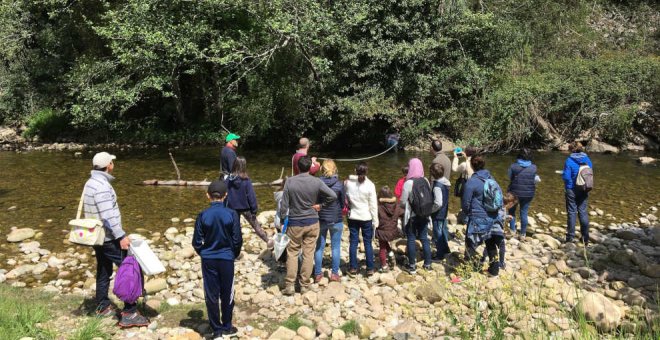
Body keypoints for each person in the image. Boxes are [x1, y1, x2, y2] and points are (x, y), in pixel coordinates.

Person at [83, 152, 149, 327]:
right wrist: (120, 236)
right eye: (112, 161)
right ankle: (129, 312)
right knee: (130, 268)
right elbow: (108, 215)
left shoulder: (90, 182)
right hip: (108, 237)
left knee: (103, 269)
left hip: (96, 236)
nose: (113, 164)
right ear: (109, 165)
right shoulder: (102, 186)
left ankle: (103, 306)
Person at [280, 156, 337, 295]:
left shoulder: (290, 182)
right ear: (310, 168)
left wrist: (283, 219)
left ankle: (290, 285)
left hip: (295, 222)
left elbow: (284, 204)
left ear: (298, 167)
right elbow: (333, 196)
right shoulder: (316, 181)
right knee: (308, 253)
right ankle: (304, 285)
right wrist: (321, 206)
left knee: (292, 253)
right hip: (312, 221)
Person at [193, 180, 242, 338]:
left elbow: (196, 242)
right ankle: (227, 326)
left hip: (209, 259)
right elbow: (237, 240)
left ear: (208, 196)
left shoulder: (202, 215)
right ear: (225, 195)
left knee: (211, 293)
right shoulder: (232, 214)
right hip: (227, 257)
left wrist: (204, 253)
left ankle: (216, 329)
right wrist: (233, 254)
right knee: (227, 293)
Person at [461, 155, 503, 276]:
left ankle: (467, 271)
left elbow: (465, 203)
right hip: (493, 216)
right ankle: (494, 270)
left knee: (470, 243)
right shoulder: (491, 178)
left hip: (478, 217)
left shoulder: (472, 182)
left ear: (472, 166)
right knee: (490, 243)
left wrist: (468, 213)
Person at [225, 156, 272, 247]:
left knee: (235, 229)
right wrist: (254, 210)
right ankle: (267, 241)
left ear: (234, 165)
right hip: (245, 208)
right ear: (244, 166)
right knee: (256, 226)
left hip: (232, 208)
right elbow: (251, 196)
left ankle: (234, 247)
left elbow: (225, 194)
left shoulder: (228, 179)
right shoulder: (245, 180)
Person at [399, 158, 433, 274]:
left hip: (412, 215)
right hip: (425, 214)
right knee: (424, 238)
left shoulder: (408, 183)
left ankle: (412, 266)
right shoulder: (426, 181)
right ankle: (428, 263)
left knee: (411, 238)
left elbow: (403, 202)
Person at [345, 162, 379, 276]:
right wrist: (376, 220)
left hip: (353, 215)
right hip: (366, 217)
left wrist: (353, 176)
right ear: (367, 171)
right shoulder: (370, 185)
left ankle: (353, 267)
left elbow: (348, 182)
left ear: (355, 171)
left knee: (353, 242)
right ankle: (370, 268)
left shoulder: (349, 184)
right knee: (368, 243)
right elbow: (373, 205)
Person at [314, 160, 345, 282]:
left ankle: (317, 273)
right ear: (334, 169)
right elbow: (343, 202)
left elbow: (315, 199)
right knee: (336, 247)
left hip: (321, 218)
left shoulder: (318, 183)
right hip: (336, 218)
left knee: (319, 247)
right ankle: (334, 274)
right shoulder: (340, 184)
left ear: (322, 169)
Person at [562, 141, 593, 245]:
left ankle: (570, 237)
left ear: (571, 150)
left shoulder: (569, 161)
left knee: (571, 212)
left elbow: (566, 177)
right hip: (584, 188)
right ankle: (585, 238)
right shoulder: (587, 160)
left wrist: (565, 178)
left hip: (571, 189)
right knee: (583, 212)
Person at [507, 148, 541, 240]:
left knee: (511, 212)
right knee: (524, 213)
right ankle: (522, 234)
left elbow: (509, 176)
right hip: (528, 193)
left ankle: (512, 231)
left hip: (514, 193)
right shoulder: (534, 167)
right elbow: (535, 180)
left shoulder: (513, 166)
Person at [482, 192, 518, 270]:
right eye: (513, 205)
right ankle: (501, 262)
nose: (512, 207)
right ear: (510, 203)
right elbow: (499, 217)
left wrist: (507, 216)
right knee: (502, 246)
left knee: (489, 246)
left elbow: (497, 215)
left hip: (490, 230)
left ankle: (483, 258)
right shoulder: (502, 208)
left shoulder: (497, 206)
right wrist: (506, 217)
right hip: (497, 231)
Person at [376, 186, 403, 272]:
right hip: (393, 231)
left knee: (382, 248)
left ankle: (384, 266)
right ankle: (391, 254)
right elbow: (403, 213)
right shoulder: (397, 206)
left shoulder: (379, 207)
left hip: (382, 231)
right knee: (384, 242)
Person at [429, 163, 451, 261]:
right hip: (444, 211)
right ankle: (446, 249)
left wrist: (431, 210)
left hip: (438, 214)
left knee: (438, 233)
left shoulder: (437, 186)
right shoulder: (445, 182)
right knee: (442, 231)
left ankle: (440, 254)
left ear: (433, 173)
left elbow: (438, 203)